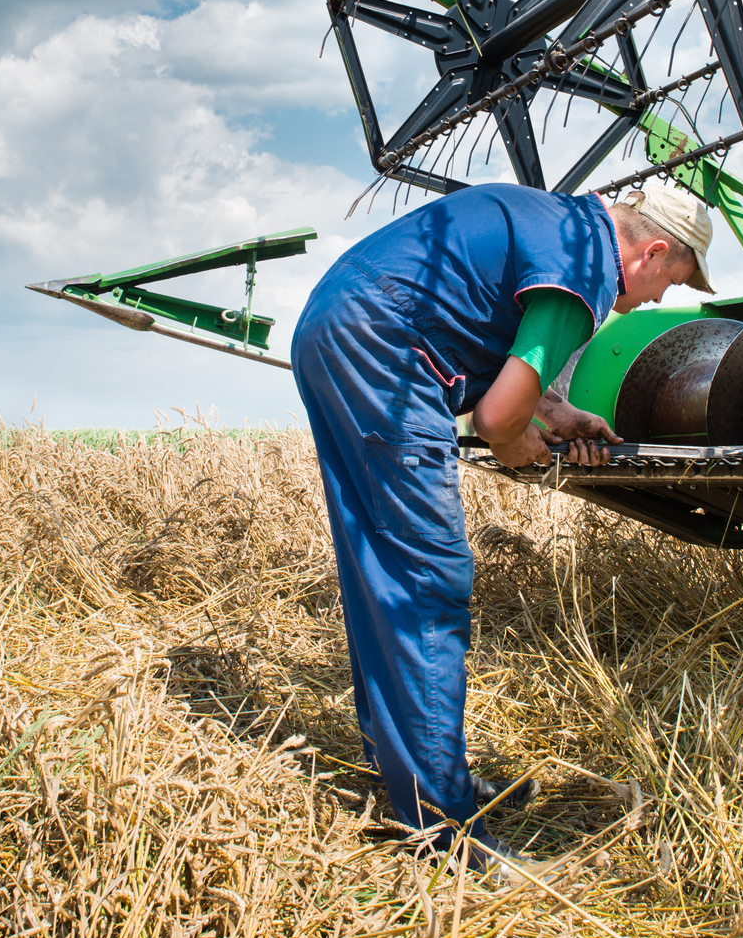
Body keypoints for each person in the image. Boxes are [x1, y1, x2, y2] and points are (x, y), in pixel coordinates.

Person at [291, 182, 714, 861]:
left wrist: (553, 412)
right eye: (673, 279)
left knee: (382, 569)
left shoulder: (557, 224)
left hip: (337, 324)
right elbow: (493, 420)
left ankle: (413, 777)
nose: (661, 297)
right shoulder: (585, 267)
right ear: (653, 251)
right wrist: (515, 435)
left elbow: (482, 333)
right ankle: (443, 828)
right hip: (384, 346)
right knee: (428, 576)